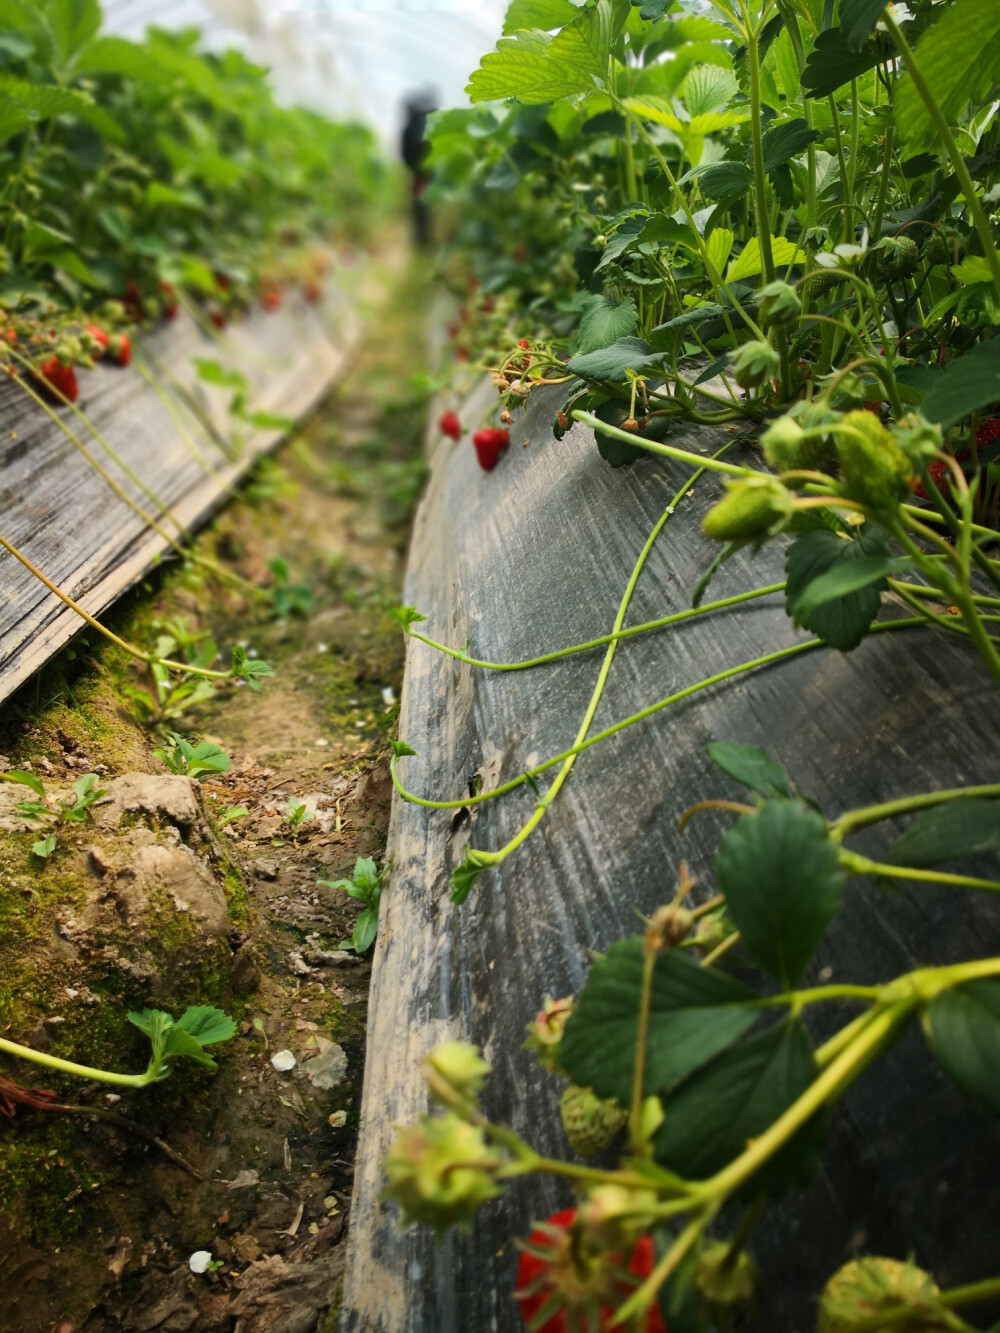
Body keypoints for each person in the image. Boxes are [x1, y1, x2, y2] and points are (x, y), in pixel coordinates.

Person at [401, 91, 436, 248]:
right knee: (429, 204)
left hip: (417, 173)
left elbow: (405, 153)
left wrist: (414, 169)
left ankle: (421, 239)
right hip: (429, 172)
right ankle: (427, 239)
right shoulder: (428, 122)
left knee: (419, 206)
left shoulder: (409, 127)